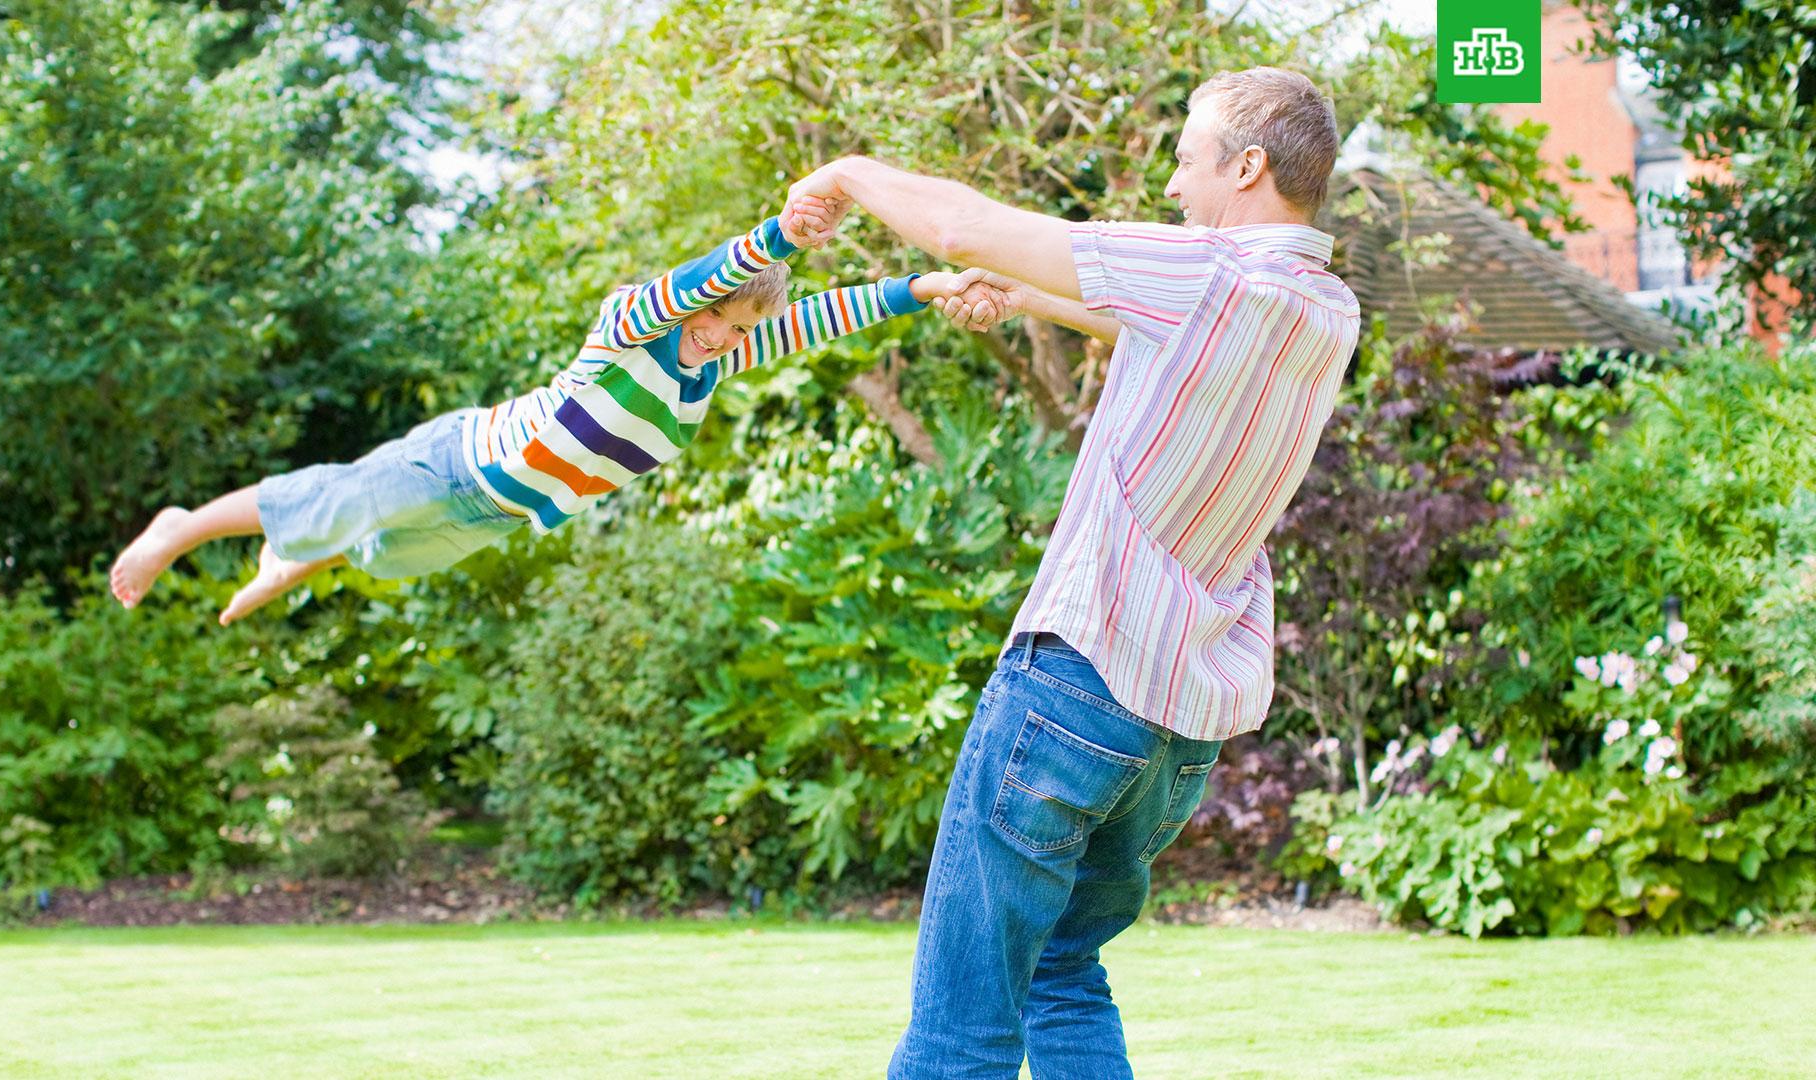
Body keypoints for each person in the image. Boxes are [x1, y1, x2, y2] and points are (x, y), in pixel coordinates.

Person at [783, 67, 1362, 1078]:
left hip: (1074, 684)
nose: (1175, 187)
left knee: (962, 1022)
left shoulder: (1212, 273)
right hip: (1177, 731)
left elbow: (964, 226)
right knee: (1060, 973)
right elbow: (1158, 325)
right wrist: (1030, 301)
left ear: (1249, 166)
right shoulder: (1321, 308)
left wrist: (846, 171)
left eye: (1188, 162)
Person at [109, 200, 981, 624]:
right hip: (460, 460)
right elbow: (713, 275)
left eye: (740, 324)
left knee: (384, 557)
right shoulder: (633, 326)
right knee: (336, 495)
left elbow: (825, 316)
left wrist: (927, 285)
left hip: (500, 512)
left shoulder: (717, 363)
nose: (722, 332)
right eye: (718, 313)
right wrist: (786, 233)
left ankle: (294, 557)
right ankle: (181, 527)